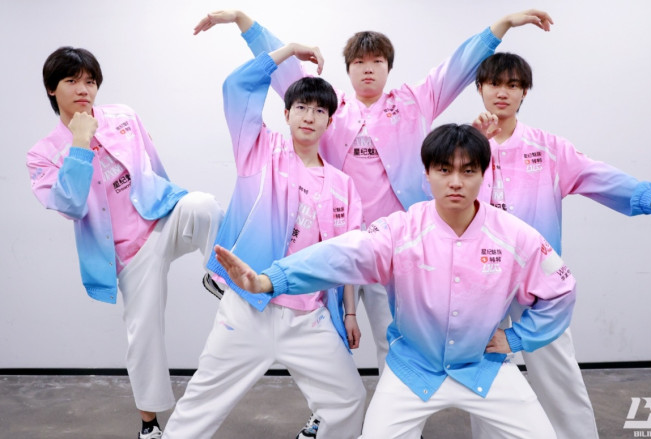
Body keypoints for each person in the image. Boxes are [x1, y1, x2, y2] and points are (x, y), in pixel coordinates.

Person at [194, 5, 553, 382]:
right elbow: (286, 71)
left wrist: (502, 25)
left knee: (395, 337)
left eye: (377, 61)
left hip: (393, 247)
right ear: (348, 69)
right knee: (325, 339)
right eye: (359, 62)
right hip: (335, 243)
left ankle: (396, 403)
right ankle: (324, 408)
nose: (368, 68)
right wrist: (243, 22)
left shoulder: (414, 102)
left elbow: (457, 67)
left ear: (388, 67)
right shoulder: (329, 109)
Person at [214, 123, 577, 439]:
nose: (456, 182)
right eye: (444, 169)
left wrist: (516, 338)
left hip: (483, 366)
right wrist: (269, 281)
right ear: (427, 175)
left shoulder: (515, 235)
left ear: (484, 174)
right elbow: (340, 254)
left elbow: (561, 290)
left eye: (468, 171)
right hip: (412, 369)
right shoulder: (401, 230)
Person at [470, 52, 651, 439]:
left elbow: (601, 177)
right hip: (481, 280)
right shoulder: (464, 148)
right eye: (494, 83)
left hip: (538, 281)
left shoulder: (548, 148)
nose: (503, 92)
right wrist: (474, 148)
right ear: (480, 88)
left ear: (524, 93)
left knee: (559, 377)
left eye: (513, 85)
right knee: (486, 378)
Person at [161, 41, 366, 439]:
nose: (309, 117)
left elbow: (347, 257)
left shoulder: (343, 186)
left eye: (319, 111)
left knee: (349, 399)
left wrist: (350, 313)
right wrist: (288, 50)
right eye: (301, 108)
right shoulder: (260, 150)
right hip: (248, 309)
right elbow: (236, 86)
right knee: (201, 403)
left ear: (329, 121)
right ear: (286, 114)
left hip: (308, 315)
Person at [26, 47, 224, 439]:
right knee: (144, 334)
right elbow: (70, 204)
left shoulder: (123, 116)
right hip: (128, 253)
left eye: (90, 81)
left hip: (160, 217)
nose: (84, 89)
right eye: (72, 81)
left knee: (204, 205)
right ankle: (149, 424)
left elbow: (153, 164)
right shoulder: (42, 155)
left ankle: (217, 276)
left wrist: (172, 201)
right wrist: (79, 142)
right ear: (52, 88)